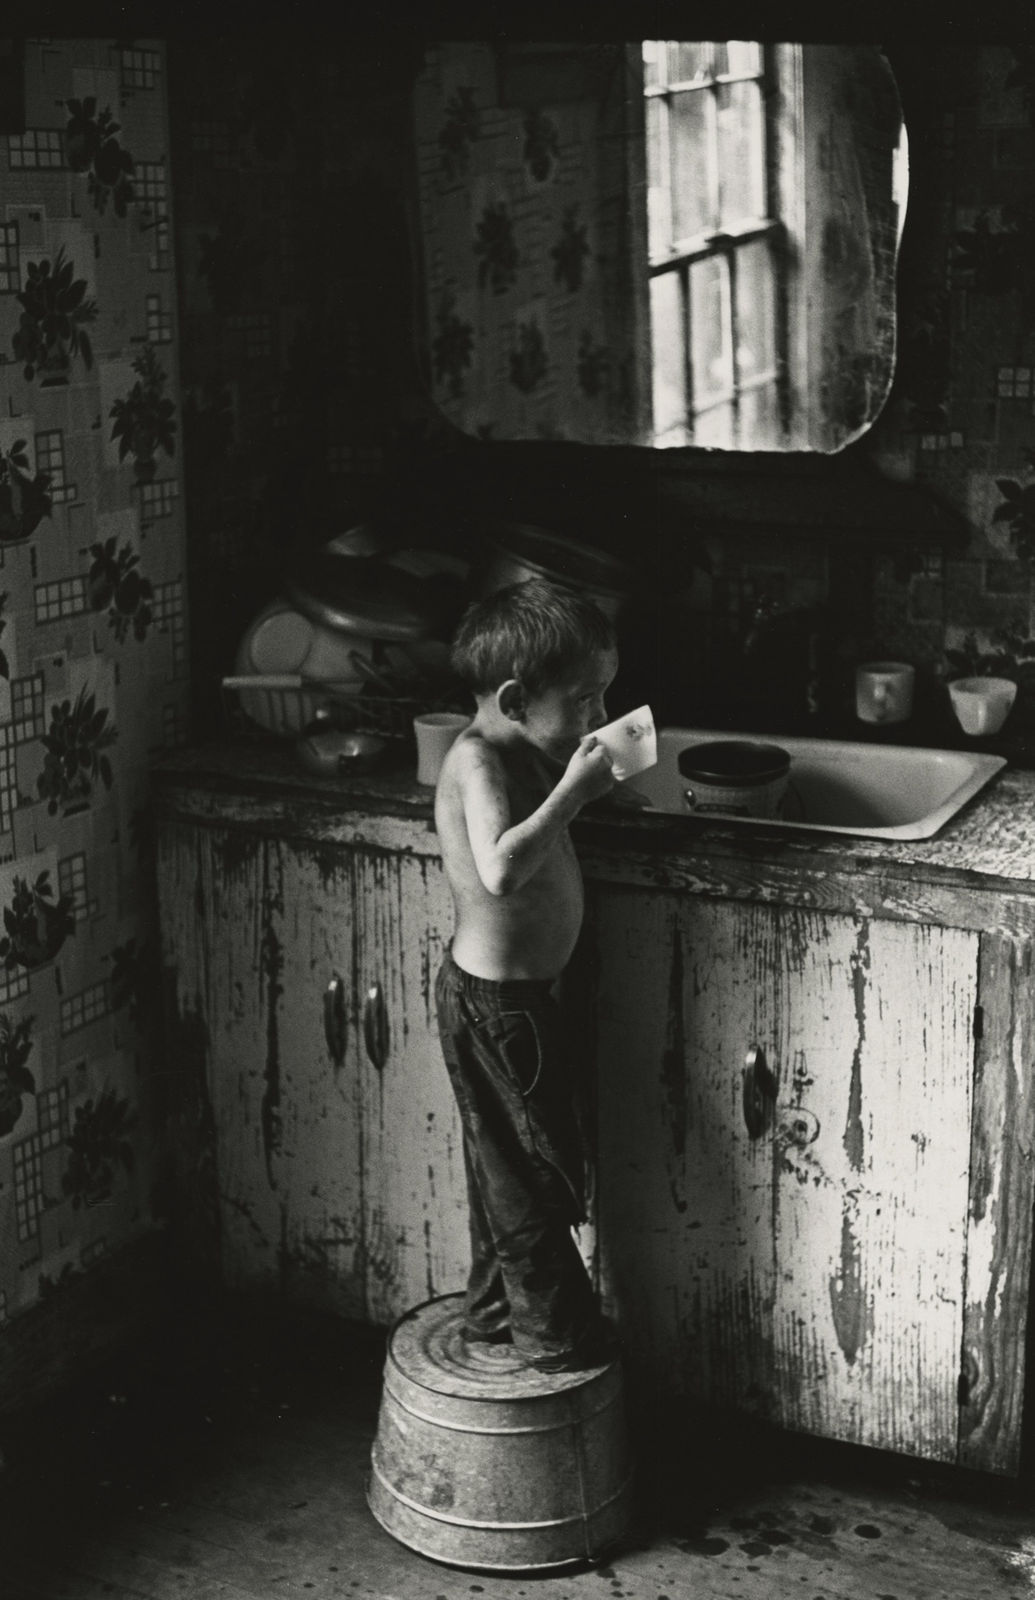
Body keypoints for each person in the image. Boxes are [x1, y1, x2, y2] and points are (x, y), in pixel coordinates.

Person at [433, 575, 620, 1371]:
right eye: (584, 700)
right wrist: (574, 795)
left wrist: (589, 784)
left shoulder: (522, 748)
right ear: (514, 697)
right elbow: (502, 870)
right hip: (494, 1007)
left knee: (509, 1169)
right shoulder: (476, 760)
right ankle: (553, 1340)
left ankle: (489, 1320)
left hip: (519, 1000)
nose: (599, 718)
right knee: (533, 1177)